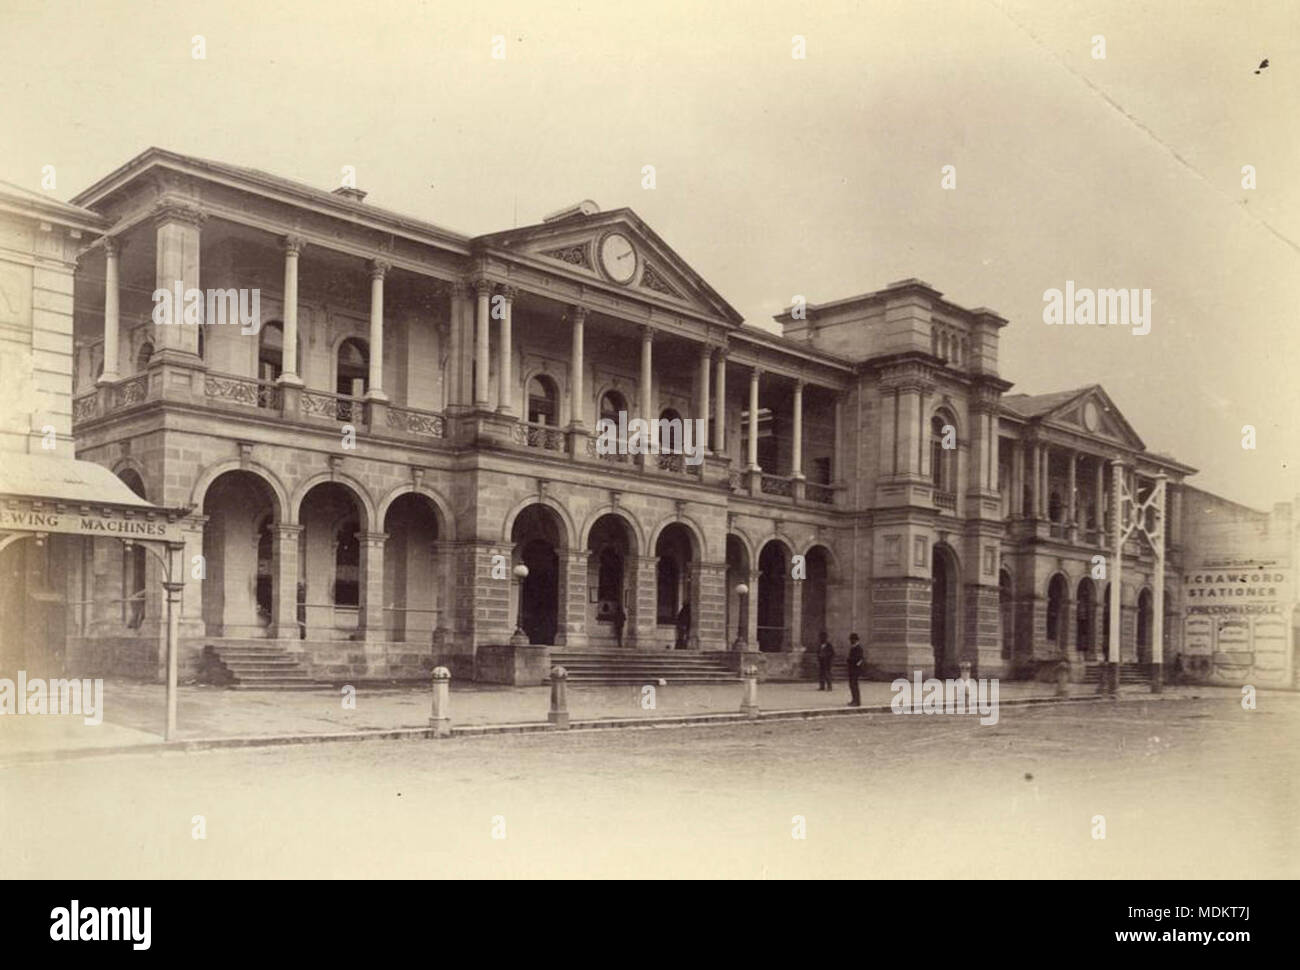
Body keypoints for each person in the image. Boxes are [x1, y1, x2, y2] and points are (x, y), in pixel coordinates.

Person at [846, 633, 864, 706]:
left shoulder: (858, 648)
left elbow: (859, 659)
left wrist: (850, 660)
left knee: (854, 685)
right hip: (852, 670)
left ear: (855, 640)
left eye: (852, 640)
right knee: (852, 685)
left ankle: (857, 701)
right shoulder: (853, 648)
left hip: (855, 670)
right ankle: (854, 699)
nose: (851, 641)